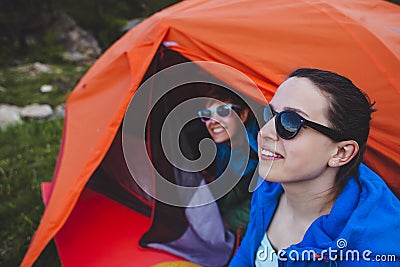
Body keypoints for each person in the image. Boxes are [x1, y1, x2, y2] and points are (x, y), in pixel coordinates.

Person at [229, 68, 400, 266]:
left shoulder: (372, 255)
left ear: (341, 153)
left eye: (290, 123)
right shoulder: (271, 185)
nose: (265, 132)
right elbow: (246, 256)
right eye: (269, 114)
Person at [197, 87, 259, 238]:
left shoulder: (259, 153)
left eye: (223, 112)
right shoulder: (223, 145)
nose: (213, 122)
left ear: (243, 115)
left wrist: (226, 221)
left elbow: (264, 204)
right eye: (207, 115)